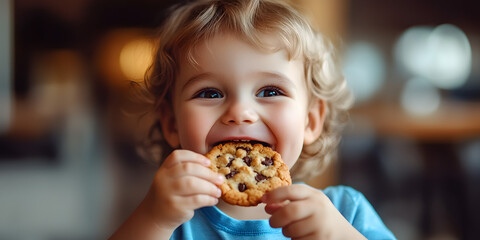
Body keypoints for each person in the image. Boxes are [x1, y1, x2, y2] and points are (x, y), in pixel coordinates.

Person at [110, 0, 396, 239]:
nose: (240, 112)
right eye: (209, 93)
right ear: (172, 123)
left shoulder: (345, 212)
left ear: (310, 120)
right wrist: (154, 219)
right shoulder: (169, 219)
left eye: (270, 91)